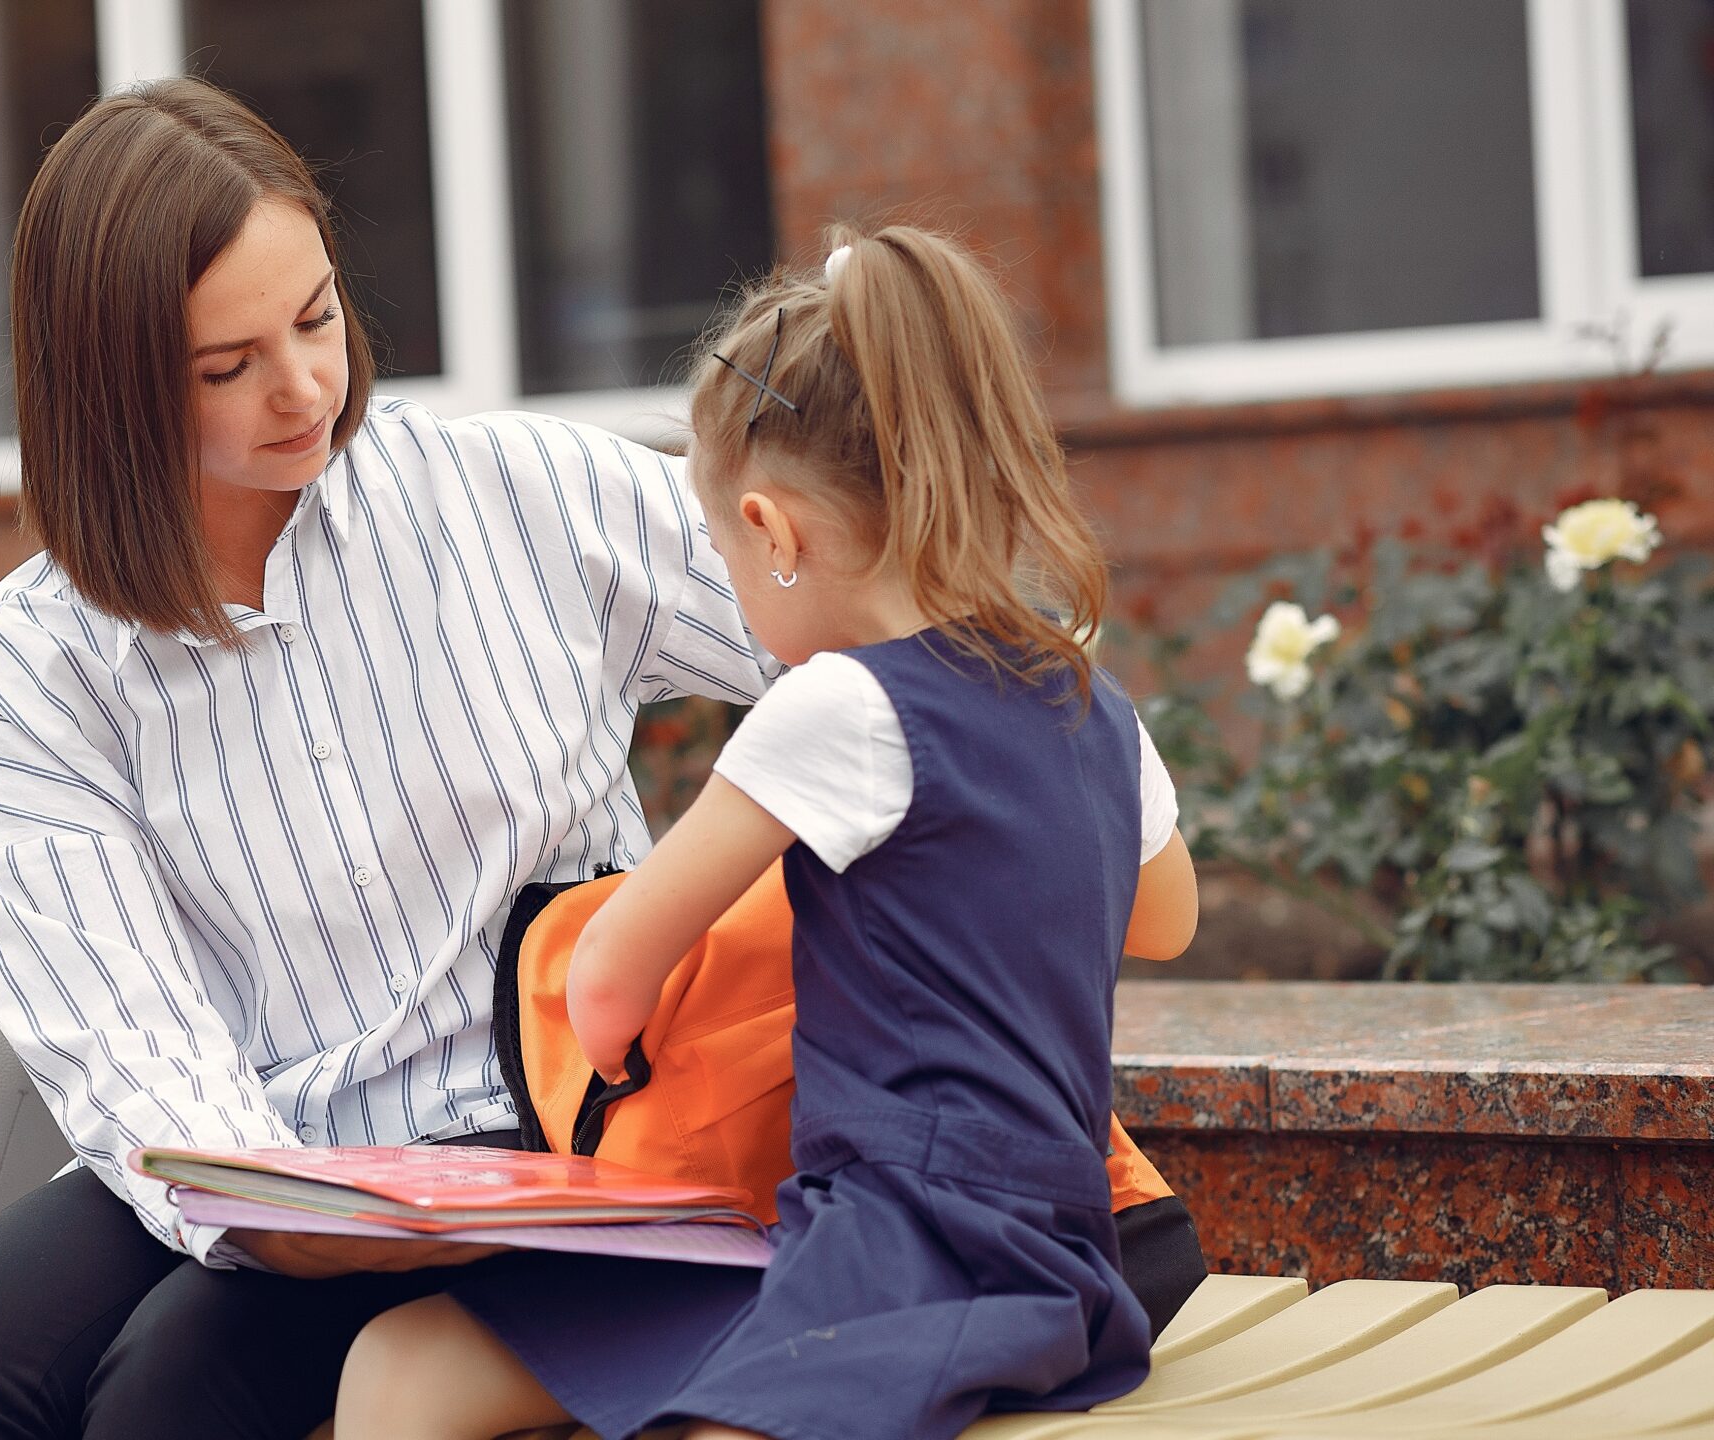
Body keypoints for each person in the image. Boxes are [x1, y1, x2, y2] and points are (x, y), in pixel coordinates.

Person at [0, 75, 772, 1440]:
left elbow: (847, 639)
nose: (306, 389)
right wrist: (262, 1215)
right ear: (110, 388)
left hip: (563, 1124)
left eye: (318, 316)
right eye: (230, 365)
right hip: (271, 1154)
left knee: (169, 1392)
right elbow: (119, 1027)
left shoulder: (520, 494)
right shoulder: (39, 673)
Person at [334, 224, 1196, 1440]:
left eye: (725, 551)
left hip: (895, 1253)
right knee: (405, 1365)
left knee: (399, 1373)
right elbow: (1164, 919)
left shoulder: (836, 708)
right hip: (1056, 1252)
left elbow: (605, 981)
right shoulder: (1084, 697)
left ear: (773, 531)